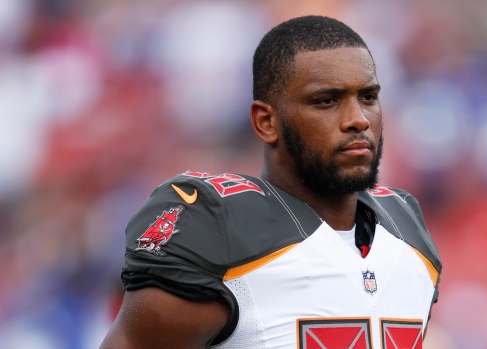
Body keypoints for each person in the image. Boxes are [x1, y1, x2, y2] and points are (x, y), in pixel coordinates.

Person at [100, 15, 441, 349]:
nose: (358, 120)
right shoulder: (218, 226)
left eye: (368, 97)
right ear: (266, 122)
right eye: (326, 101)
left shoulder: (406, 229)